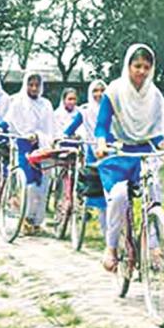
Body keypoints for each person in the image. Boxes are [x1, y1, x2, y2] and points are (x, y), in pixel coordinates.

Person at [93, 44, 164, 272]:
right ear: (128, 66)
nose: (142, 72)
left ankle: (154, 245)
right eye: (137, 66)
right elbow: (102, 125)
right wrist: (101, 143)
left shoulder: (153, 95)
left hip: (142, 155)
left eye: (147, 67)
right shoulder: (114, 91)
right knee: (117, 198)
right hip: (117, 154)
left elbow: (156, 133)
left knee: (153, 191)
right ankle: (111, 246)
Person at [0, 72, 55, 234]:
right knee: (29, 184)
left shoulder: (46, 104)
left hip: (43, 146)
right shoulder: (17, 102)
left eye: (37, 85)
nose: (34, 88)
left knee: (42, 185)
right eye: (31, 84)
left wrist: (40, 137)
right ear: (25, 85)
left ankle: (36, 221)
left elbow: (50, 128)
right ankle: (24, 218)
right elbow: (8, 121)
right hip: (24, 145)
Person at [63, 79, 108, 234]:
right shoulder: (85, 111)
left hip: (110, 152)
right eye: (95, 90)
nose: (99, 94)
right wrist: (62, 138)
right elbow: (70, 129)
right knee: (99, 194)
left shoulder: (112, 109)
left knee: (113, 195)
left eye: (102, 90)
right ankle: (105, 231)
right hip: (93, 154)